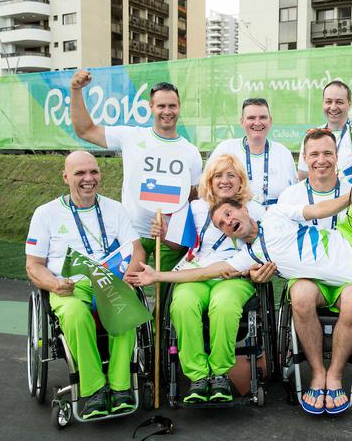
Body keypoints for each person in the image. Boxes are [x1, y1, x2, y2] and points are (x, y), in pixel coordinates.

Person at [129, 182, 352, 415]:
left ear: (243, 209)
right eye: (222, 224)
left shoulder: (275, 216)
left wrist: (346, 199)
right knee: (315, 295)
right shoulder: (251, 256)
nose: (227, 222)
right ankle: (322, 378)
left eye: (229, 213)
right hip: (334, 287)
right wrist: (158, 275)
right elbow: (205, 271)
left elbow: (316, 210)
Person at [25, 151, 146, 419]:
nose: (88, 178)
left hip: (108, 280)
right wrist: (54, 284)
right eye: (80, 173)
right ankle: (93, 390)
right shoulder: (46, 213)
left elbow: (136, 250)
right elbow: (33, 265)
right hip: (69, 284)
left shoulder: (115, 208)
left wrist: (131, 274)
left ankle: (121, 386)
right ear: (66, 177)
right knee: (76, 315)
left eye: (93, 172)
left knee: (125, 307)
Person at [146, 154, 264, 403]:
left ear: (240, 180)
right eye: (218, 175)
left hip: (234, 276)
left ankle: (220, 374)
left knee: (223, 305)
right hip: (195, 273)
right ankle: (198, 376)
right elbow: (179, 243)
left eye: (231, 175)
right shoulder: (196, 208)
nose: (225, 180)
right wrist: (163, 233)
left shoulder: (254, 210)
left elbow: (262, 247)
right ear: (209, 181)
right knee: (183, 304)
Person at [70, 72, 203, 272]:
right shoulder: (131, 136)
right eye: (161, 106)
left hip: (169, 238)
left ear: (179, 107)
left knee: (167, 299)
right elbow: (85, 130)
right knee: (124, 292)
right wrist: (76, 90)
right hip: (131, 233)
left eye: (172, 106)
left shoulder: (191, 152)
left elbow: (193, 198)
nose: (167, 111)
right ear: (151, 107)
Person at [207, 98, 296, 207]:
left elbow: (293, 194)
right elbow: (208, 188)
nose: (257, 123)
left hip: (276, 219)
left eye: (263, 117)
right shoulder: (225, 149)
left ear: (270, 121)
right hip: (236, 220)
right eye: (251, 118)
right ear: (242, 122)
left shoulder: (283, 153)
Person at [297, 81, 352, 184]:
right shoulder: (312, 136)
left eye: (339, 102)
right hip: (321, 199)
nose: (333, 107)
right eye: (328, 101)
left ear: (349, 104)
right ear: (323, 103)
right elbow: (303, 175)